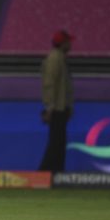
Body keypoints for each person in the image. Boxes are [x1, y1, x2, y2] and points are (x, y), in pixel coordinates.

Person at [39, 29, 74, 172]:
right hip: (57, 109)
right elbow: (49, 83)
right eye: (68, 42)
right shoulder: (55, 58)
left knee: (59, 142)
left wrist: (68, 106)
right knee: (56, 142)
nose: (71, 45)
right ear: (63, 43)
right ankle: (46, 172)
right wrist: (50, 107)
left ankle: (56, 172)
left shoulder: (59, 58)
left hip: (61, 108)